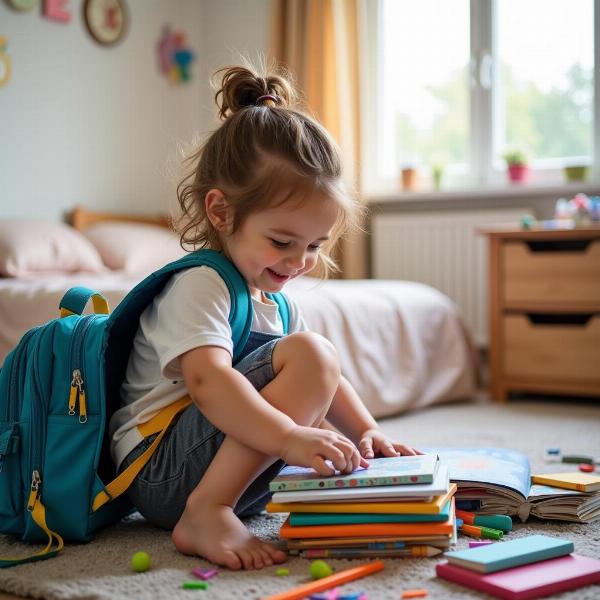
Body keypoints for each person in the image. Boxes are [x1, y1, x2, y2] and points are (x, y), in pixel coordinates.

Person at [109, 64, 421, 571]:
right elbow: (208, 382)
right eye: (282, 242)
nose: (299, 262)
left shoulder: (277, 300)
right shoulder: (199, 284)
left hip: (217, 462)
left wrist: (366, 430)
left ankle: (221, 500)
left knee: (314, 365)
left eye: (315, 245)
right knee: (310, 355)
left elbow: (326, 379)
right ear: (220, 211)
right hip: (159, 471)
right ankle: (206, 512)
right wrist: (287, 438)